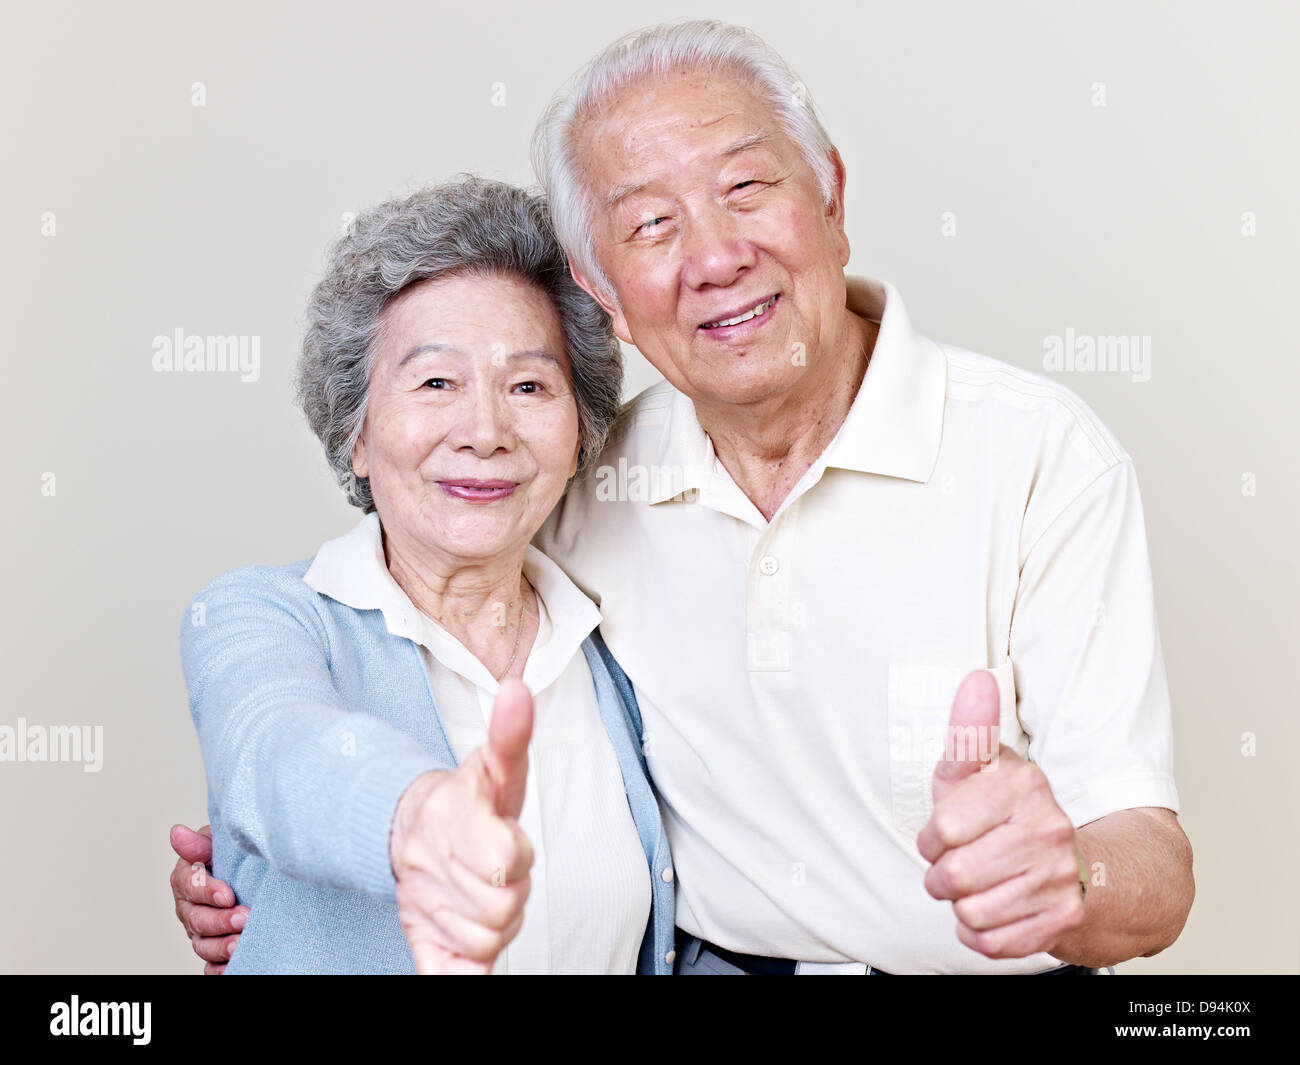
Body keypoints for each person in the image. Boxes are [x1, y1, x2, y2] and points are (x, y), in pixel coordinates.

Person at [174, 20, 1193, 974]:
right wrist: (333, 843)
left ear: (832, 197)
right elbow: (282, 737)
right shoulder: (530, 514)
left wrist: (1070, 876)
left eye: (746, 187)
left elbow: (1150, 865)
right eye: (651, 223)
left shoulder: (1037, 454)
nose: (713, 258)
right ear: (605, 292)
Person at [175, 175, 674, 974]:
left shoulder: (616, 645)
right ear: (357, 435)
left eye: (529, 386)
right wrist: (417, 818)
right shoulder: (261, 615)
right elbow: (269, 750)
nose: (484, 429)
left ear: (581, 434)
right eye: (436, 382)